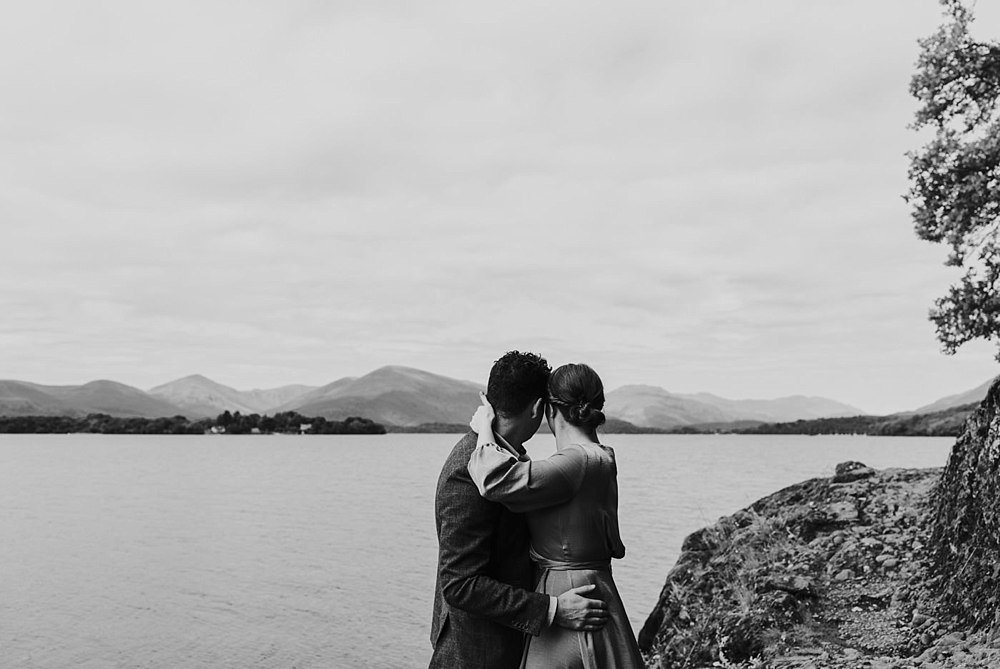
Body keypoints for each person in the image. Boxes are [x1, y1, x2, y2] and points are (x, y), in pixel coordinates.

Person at [429, 351, 610, 669]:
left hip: (509, 646)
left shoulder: (509, 460)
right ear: (540, 409)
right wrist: (553, 609)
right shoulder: (467, 471)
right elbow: (460, 584)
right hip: (478, 654)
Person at [467, 362, 644, 669]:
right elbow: (535, 478)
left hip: (569, 590)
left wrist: (484, 426)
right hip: (592, 584)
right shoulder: (599, 455)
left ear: (548, 411)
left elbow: (493, 480)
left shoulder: (575, 462)